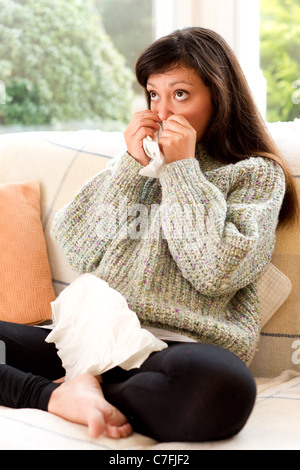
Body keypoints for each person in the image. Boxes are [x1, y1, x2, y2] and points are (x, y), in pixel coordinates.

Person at [0, 27, 298, 443]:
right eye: (153, 94)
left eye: (180, 94)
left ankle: (89, 387)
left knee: (223, 391)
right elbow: (78, 246)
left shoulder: (255, 175)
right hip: (93, 332)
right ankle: (56, 395)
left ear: (218, 95)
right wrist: (128, 166)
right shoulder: (137, 164)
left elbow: (214, 271)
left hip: (176, 351)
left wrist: (181, 170)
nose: (162, 111)